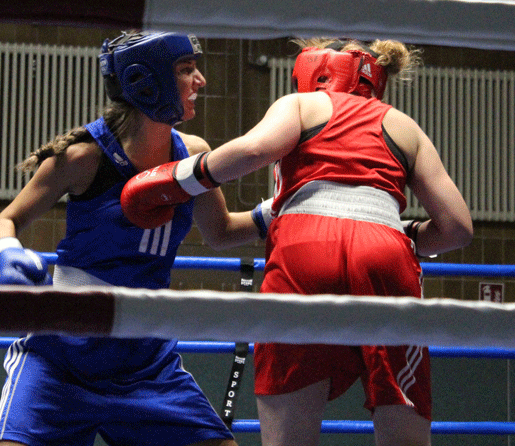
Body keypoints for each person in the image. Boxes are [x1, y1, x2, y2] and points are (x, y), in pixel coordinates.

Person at [121, 37, 474, 446]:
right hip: (386, 250)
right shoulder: (403, 125)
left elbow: (254, 149)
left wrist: (175, 180)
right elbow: (457, 228)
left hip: (303, 247)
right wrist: (404, 232)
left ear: (314, 69)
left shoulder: (301, 104)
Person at [0, 31, 266, 446]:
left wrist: (280, 212)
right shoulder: (84, 157)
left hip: (146, 364)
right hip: (62, 359)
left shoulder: (193, 154)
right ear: (148, 81)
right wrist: (6, 252)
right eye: (186, 69)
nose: (201, 81)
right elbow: (7, 219)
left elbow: (222, 232)